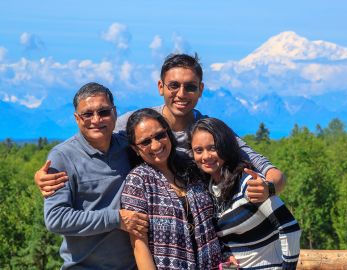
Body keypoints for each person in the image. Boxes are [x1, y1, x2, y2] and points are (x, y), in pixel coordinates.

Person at [35, 53, 284, 203]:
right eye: (173, 85)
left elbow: (272, 172)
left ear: (201, 89)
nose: (181, 94)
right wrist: (48, 172)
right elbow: (86, 138)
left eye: (190, 87)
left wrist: (268, 188)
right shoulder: (138, 123)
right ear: (160, 87)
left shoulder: (212, 133)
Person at [43, 82, 148, 269]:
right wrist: (116, 219)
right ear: (77, 118)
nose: (96, 119)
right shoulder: (62, 157)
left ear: (115, 113)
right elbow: (56, 219)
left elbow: (166, 120)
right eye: (87, 114)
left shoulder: (129, 144)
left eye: (104, 112)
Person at [190, 118, 301, 270]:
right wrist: (226, 254)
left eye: (212, 148)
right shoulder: (210, 190)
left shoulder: (248, 183)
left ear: (225, 147)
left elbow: (290, 227)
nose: (206, 156)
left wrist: (288, 267)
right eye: (199, 150)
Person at [121, 108, 221, 269]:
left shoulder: (191, 168)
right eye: (146, 142)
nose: (156, 145)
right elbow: (139, 245)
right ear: (135, 149)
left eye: (160, 135)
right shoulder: (138, 181)